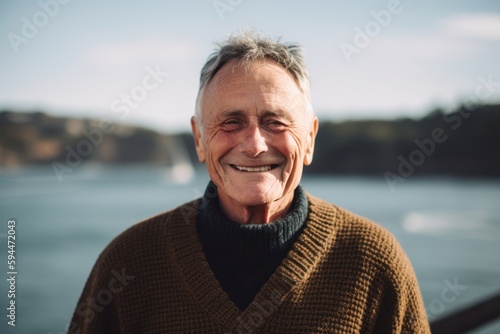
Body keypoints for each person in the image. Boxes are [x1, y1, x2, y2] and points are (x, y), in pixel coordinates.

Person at [69, 31, 430, 333]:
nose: (255, 146)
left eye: (276, 122)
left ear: (310, 139)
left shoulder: (372, 259)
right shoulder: (129, 262)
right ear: (198, 139)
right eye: (230, 122)